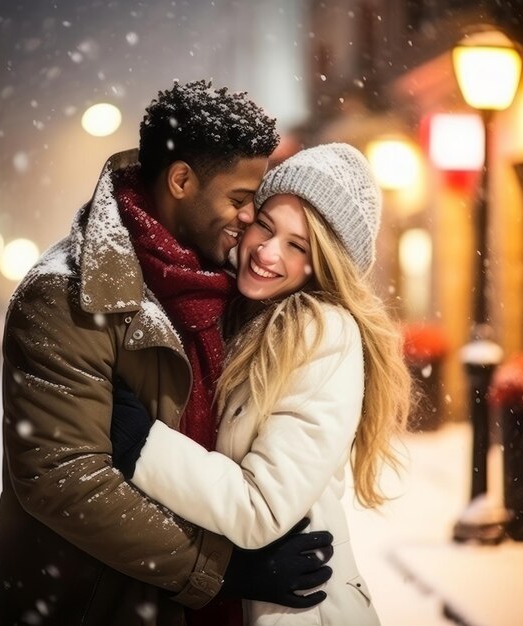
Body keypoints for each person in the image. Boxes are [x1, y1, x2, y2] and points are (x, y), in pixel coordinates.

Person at [0, 81, 335, 626]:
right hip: (101, 606)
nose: (251, 220)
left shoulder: (229, 285)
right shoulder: (62, 295)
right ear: (181, 181)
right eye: (241, 200)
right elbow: (62, 477)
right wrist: (219, 571)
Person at [110, 143, 413, 625]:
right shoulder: (239, 314)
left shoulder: (319, 333)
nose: (268, 253)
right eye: (265, 226)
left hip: (297, 610)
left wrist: (142, 444)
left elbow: (260, 507)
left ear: (327, 264)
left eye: (298, 246)